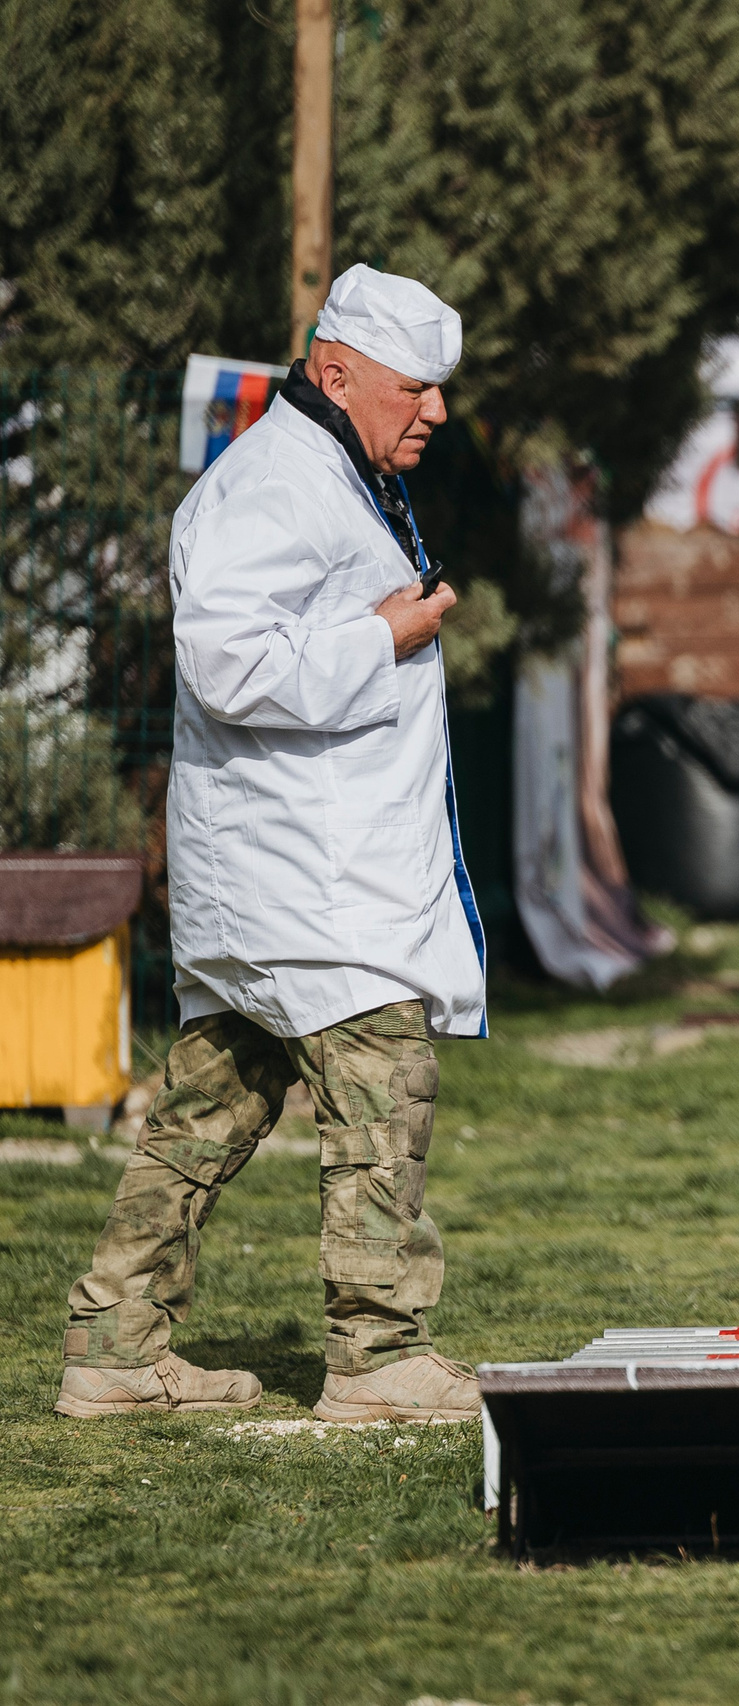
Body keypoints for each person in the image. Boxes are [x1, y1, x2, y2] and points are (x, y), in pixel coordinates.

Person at [57, 265, 487, 1423]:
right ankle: (379, 1355)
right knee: (382, 1093)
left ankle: (113, 1346)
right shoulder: (271, 489)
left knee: (208, 1113)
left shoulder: (323, 474)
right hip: (310, 880)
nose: (436, 411)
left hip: (293, 873)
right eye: (416, 388)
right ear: (336, 371)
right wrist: (384, 632)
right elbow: (231, 664)